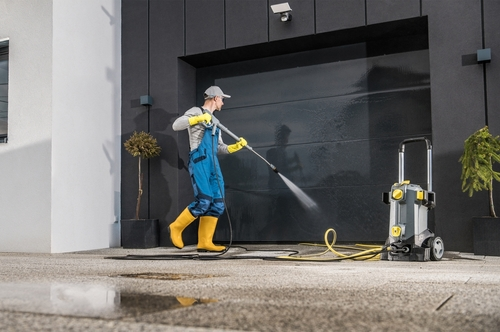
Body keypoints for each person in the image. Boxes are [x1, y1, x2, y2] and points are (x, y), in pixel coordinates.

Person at [169, 86, 247, 252]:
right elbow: (176, 125)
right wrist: (197, 119)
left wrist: (234, 147)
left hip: (213, 162)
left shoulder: (215, 122)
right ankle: (176, 227)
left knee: (218, 203)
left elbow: (219, 147)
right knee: (204, 200)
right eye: (222, 99)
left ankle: (205, 242)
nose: (223, 103)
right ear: (215, 98)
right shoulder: (196, 111)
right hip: (200, 160)